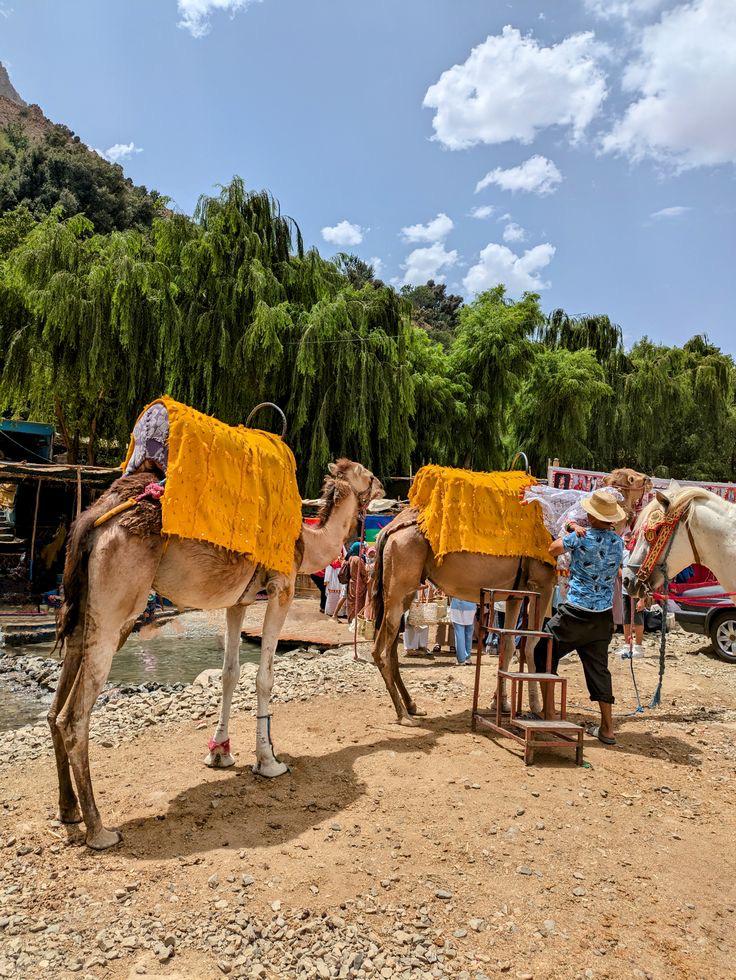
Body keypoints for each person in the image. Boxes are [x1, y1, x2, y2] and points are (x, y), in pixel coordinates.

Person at [534, 489, 625, 746]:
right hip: (602, 617)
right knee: (599, 670)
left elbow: (552, 549)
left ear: (591, 515)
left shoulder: (580, 539)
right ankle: (607, 728)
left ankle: (549, 713)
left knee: (543, 651)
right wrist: (575, 525)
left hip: (575, 613)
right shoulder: (618, 543)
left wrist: (572, 530)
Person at [449, 597, 477, 665]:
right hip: (471, 605)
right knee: (469, 634)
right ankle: (467, 658)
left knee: (459, 633)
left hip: (457, 606)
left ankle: (461, 659)